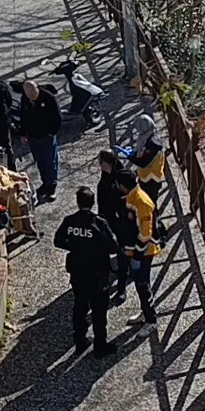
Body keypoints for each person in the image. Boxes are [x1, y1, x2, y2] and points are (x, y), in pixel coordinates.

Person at [53, 187, 119, 357]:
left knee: (80, 306)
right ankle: (100, 346)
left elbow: (58, 241)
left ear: (78, 202)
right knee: (98, 311)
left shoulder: (69, 221)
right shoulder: (99, 223)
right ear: (93, 202)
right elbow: (113, 247)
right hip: (98, 274)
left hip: (78, 272)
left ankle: (80, 342)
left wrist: (75, 247)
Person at [118, 171, 159, 329]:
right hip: (136, 251)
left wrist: (137, 256)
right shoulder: (133, 197)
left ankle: (151, 320)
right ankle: (146, 311)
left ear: (122, 186)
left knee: (143, 285)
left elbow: (145, 233)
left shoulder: (141, 201)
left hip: (143, 252)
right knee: (142, 284)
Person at [97, 150, 132, 305]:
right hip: (109, 221)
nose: (100, 166)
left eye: (101, 163)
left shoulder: (122, 177)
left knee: (123, 255)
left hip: (123, 223)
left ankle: (121, 288)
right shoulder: (104, 179)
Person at [19, 80, 62, 201]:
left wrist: (51, 133)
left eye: (33, 96)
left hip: (46, 137)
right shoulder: (25, 99)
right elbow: (23, 116)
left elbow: (58, 118)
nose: (32, 99)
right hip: (33, 137)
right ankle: (45, 183)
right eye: (29, 97)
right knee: (40, 161)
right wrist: (23, 134)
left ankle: (52, 186)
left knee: (50, 162)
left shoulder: (48, 98)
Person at [127, 114, 165, 205]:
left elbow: (144, 162)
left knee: (150, 202)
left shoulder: (152, 143)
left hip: (151, 178)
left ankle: (154, 218)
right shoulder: (149, 136)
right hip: (147, 177)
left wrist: (131, 157)